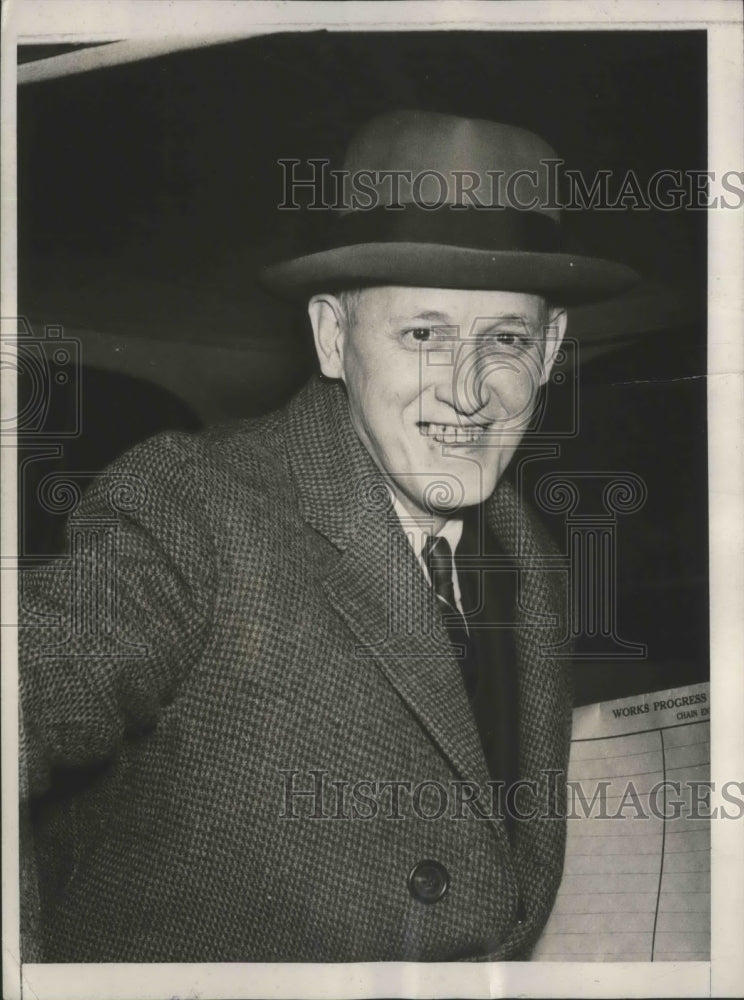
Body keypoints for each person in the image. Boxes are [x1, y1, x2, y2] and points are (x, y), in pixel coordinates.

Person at [19, 110, 637, 962]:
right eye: (424, 335)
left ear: (552, 346)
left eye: (505, 339)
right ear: (333, 339)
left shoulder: (531, 561)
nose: (470, 392)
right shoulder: (197, 505)